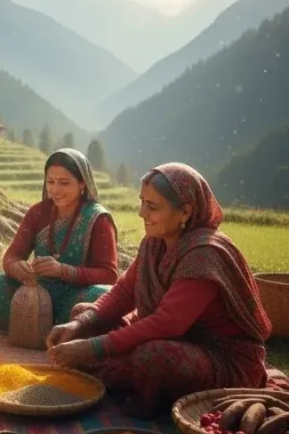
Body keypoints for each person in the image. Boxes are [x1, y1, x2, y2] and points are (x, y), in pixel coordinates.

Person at [47, 163, 273, 417]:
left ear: (185, 211)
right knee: (83, 314)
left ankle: (140, 391)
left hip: (220, 358)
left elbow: (167, 324)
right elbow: (123, 293)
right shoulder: (154, 243)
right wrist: (79, 326)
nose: (142, 212)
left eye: (152, 207)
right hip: (175, 339)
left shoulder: (204, 255)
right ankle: (123, 375)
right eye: (142, 202)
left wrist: (92, 348)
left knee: (152, 356)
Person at [0, 149, 118, 332]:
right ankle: (38, 326)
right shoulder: (38, 212)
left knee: (103, 295)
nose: (55, 190)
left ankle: (48, 328)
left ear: (82, 183)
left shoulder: (98, 219)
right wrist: (17, 268)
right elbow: (12, 256)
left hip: (74, 298)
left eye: (64, 183)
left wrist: (64, 271)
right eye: (50, 182)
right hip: (33, 295)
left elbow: (109, 275)